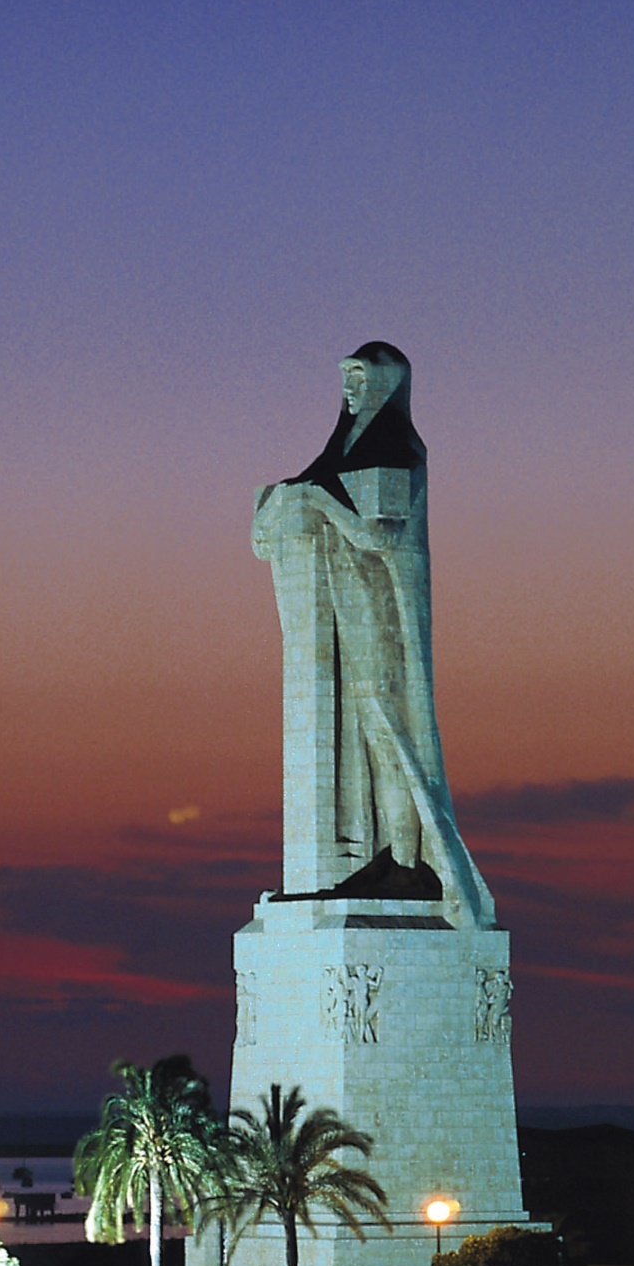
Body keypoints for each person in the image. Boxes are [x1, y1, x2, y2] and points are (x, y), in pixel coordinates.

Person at [253, 344, 494, 923]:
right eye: (346, 378)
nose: (351, 389)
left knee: (390, 733)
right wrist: (289, 501)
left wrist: (316, 500)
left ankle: (406, 860)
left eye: (361, 378)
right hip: (342, 606)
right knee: (365, 737)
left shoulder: (401, 449)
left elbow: (381, 536)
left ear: (387, 384)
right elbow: (283, 515)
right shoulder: (341, 452)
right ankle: (385, 858)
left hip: (382, 619)